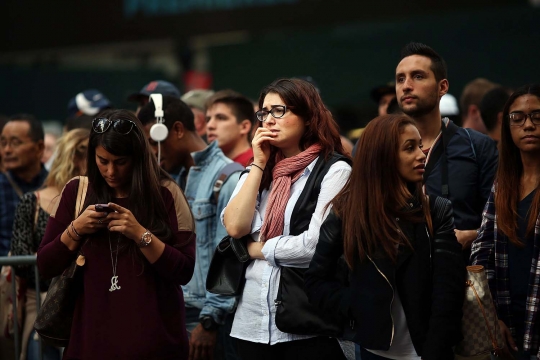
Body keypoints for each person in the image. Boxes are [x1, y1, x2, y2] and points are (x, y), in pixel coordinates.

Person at [36, 109, 196, 359]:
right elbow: (45, 264)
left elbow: (184, 270)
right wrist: (75, 229)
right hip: (90, 340)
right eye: (103, 161)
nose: (111, 171)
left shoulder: (166, 193)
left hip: (155, 342)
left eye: (121, 162)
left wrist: (140, 234)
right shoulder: (76, 191)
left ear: (138, 157)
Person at [305, 114, 465, 359]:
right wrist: (357, 305)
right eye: (409, 148)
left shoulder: (435, 210)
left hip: (428, 349)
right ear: (383, 157)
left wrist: (435, 351)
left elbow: (448, 292)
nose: (421, 154)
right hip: (373, 350)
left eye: (420, 145)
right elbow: (316, 281)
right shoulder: (348, 212)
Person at [222, 78, 352, 359]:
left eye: (279, 111)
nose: (268, 120)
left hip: (306, 324)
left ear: (308, 117)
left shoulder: (335, 169)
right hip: (250, 322)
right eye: (264, 112)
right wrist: (257, 164)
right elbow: (235, 226)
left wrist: (256, 249)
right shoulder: (259, 169)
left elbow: (315, 247)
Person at [138, 97, 241, 360]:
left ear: (178, 130)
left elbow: (227, 257)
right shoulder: (174, 179)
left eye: (153, 142)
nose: (152, 152)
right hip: (176, 312)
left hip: (209, 319)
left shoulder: (228, 177)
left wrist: (210, 323)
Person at [395, 42, 498, 256]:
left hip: (463, 275)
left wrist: (473, 235)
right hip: (400, 281)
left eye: (418, 76)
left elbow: (502, 223)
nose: (406, 86)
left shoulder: (476, 146)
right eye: (400, 79)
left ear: (442, 87)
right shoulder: (380, 149)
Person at [471, 84, 540, 359]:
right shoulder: (503, 185)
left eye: (537, 116)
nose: (528, 125)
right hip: (508, 326)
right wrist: (491, 319)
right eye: (518, 118)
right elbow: (480, 253)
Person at [11, 128, 89, 360]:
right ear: (73, 159)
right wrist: (57, 255)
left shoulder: (97, 198)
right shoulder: (33, 201)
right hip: (44, 303)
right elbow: (22, 261)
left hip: (85, 302)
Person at [0, 114, 48, 257]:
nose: (7, 150)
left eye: (15, 143)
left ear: (39, 148)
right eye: (3, 143)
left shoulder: (56, 185)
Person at [205, 90, 254, 167]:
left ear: (244, 127)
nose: (210, 125)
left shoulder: (256, 165)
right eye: (208, 119)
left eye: (221, 118)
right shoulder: (209, 166)